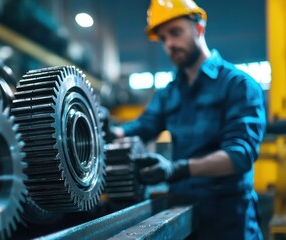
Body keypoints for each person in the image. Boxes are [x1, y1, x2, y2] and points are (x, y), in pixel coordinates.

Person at [111, 0, 266, 239]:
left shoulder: (239, 85)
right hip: (182, 216)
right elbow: (146, 125)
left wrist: (176, 169)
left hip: (229, 220)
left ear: (199, 29)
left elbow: (240, 155)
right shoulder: (169, 92)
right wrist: (111, 132)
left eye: (175, 32)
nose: (170, 44)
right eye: (163, 39)